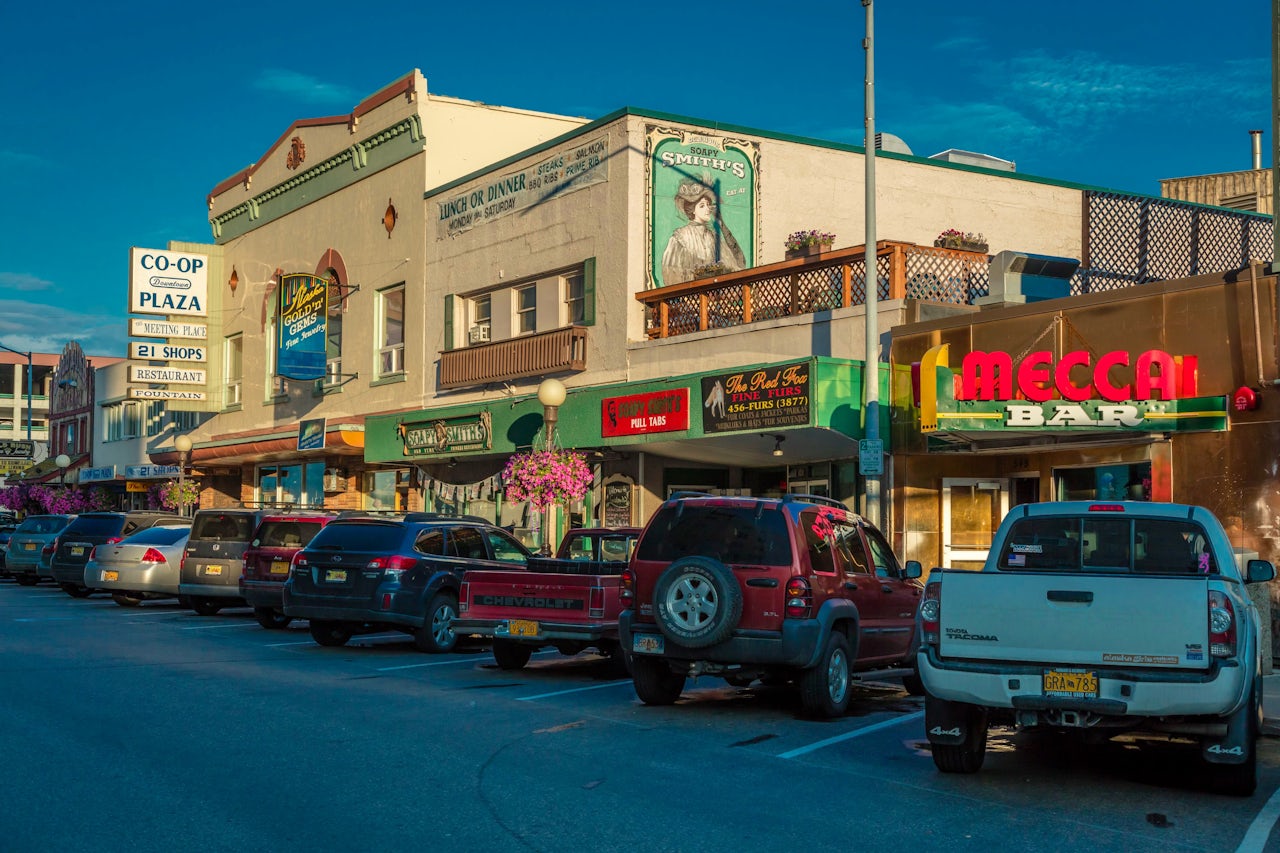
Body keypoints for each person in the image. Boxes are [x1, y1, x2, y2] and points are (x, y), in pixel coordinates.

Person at [660, 179, 746, 286]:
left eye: (708, 204)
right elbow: (670, 274)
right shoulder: (680, 237)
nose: (708, 209)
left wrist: (722, 225)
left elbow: (739, 264)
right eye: (702, 205)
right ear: (692, 210)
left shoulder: (713, 237)